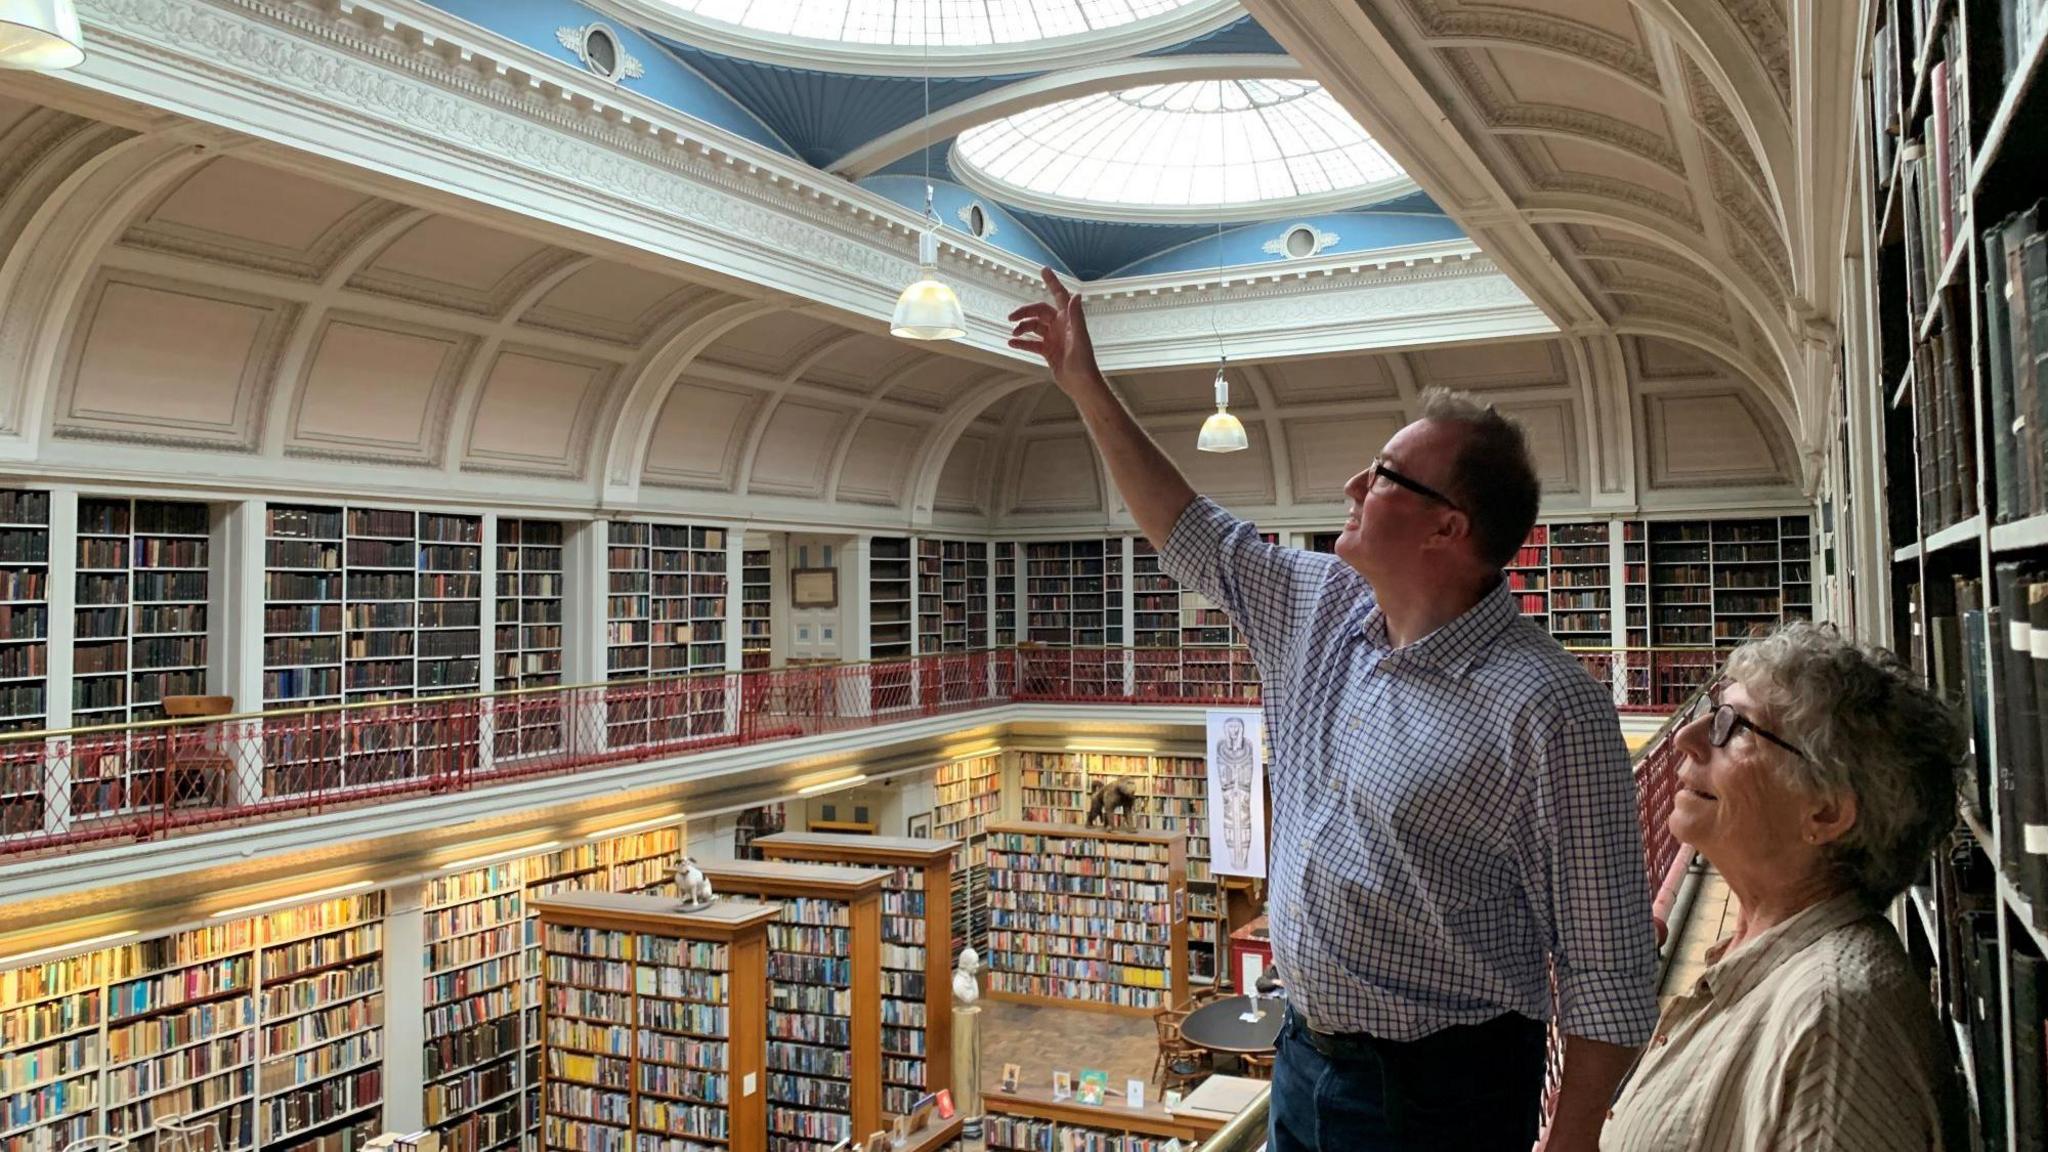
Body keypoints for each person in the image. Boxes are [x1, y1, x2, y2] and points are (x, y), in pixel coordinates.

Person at [1009, 269, 1657, 1151]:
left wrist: (1572, 1136)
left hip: (1443, 1094)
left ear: (1447, 529)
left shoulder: (1549, 709)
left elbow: (1607, 963)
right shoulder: (1319, 607)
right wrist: (1085, 384)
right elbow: (1188, 529)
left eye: (1386, 474)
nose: (1354, 482)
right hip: (1303, 1056)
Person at [1602, 624, 1962, 1151]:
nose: (1687, 737)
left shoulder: (1832, 1033)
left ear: (1825, 810)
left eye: (1734, 725)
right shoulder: (1766, 966)